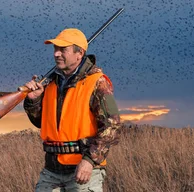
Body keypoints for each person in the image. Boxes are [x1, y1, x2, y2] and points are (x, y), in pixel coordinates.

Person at [23, 28, 121, 192]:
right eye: (55, 49)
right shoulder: (50, 83)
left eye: (63, 49)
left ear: (79, 53)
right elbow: (41, 122)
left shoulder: (97, 82)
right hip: (51, 170)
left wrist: (89, 160)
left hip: (84, 168)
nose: (56, 54)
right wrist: (34, 100)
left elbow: (112, 126)